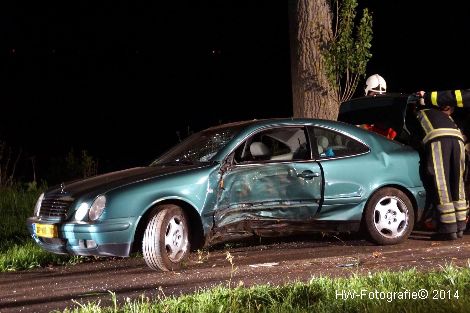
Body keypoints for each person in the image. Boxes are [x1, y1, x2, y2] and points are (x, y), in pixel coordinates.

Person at [415, 90, 468, 240]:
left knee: (441, 181)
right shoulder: (445, 118)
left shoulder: (419, 114)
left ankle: (447, 229)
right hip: (458, 141)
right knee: (456, 182)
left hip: (439, 140)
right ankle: (459, 228)